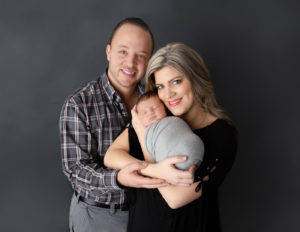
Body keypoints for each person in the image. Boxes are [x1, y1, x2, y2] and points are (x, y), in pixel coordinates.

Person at [59, 18, 194, 232]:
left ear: (150, 60)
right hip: (101, 216)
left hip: (149, 212)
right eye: (123, 52)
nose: (130, 63)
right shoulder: (80, 104)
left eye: (141, 56)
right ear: (108, 51)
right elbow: (76, 170)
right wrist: (118, 179)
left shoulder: (158, 99)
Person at [104, 42, 238, 232]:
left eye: (176, 82)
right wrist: (156, 169)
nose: (168, 94)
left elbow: (174, 199)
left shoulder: (221, 134)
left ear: (195, 79)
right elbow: (112, 156)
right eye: (160, 86)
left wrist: (144, 138)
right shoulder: (155, 115)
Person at [134, 91, 205, 170]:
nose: (150, 112)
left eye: (155, 107)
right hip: (168, 164)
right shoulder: (145, 133)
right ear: (138, 118)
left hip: (194, 147)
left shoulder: (174, 119)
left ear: (164, 107)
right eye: (144, 112)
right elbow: (150, 159)